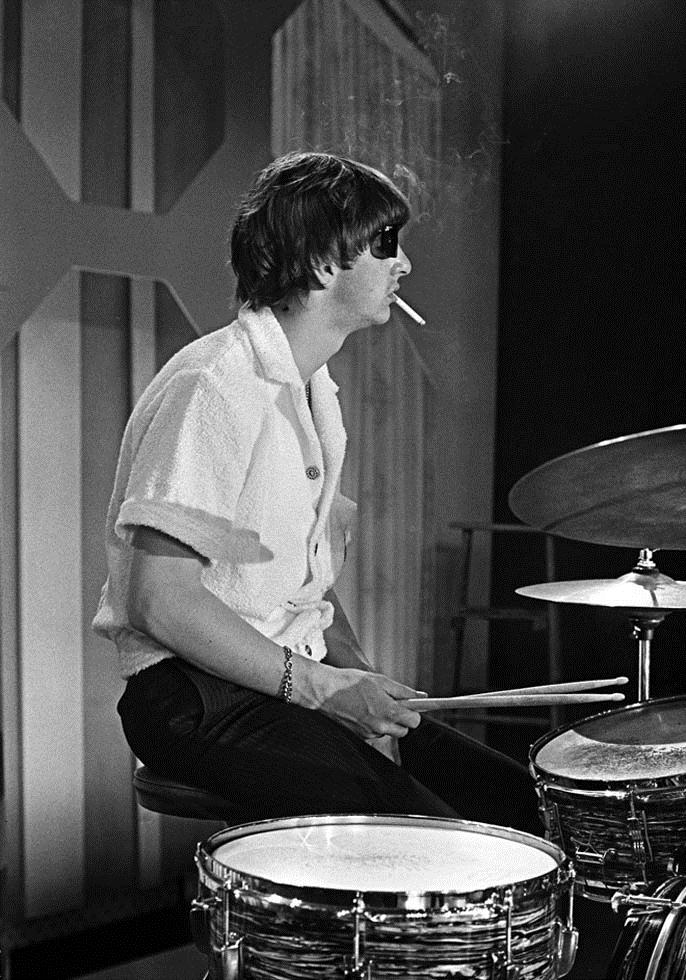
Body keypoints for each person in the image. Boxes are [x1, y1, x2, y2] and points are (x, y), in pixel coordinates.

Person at [93, 151, 539, 833]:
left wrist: (358, 674)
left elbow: (297, 578)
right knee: (434, 843)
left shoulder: (312, 389)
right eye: (387, 244)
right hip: (191, 694)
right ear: (326, 261)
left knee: (517, 810)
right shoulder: (217, 384)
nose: (405, 265)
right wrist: (325, 692)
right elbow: (159, 601)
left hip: (277, 676)